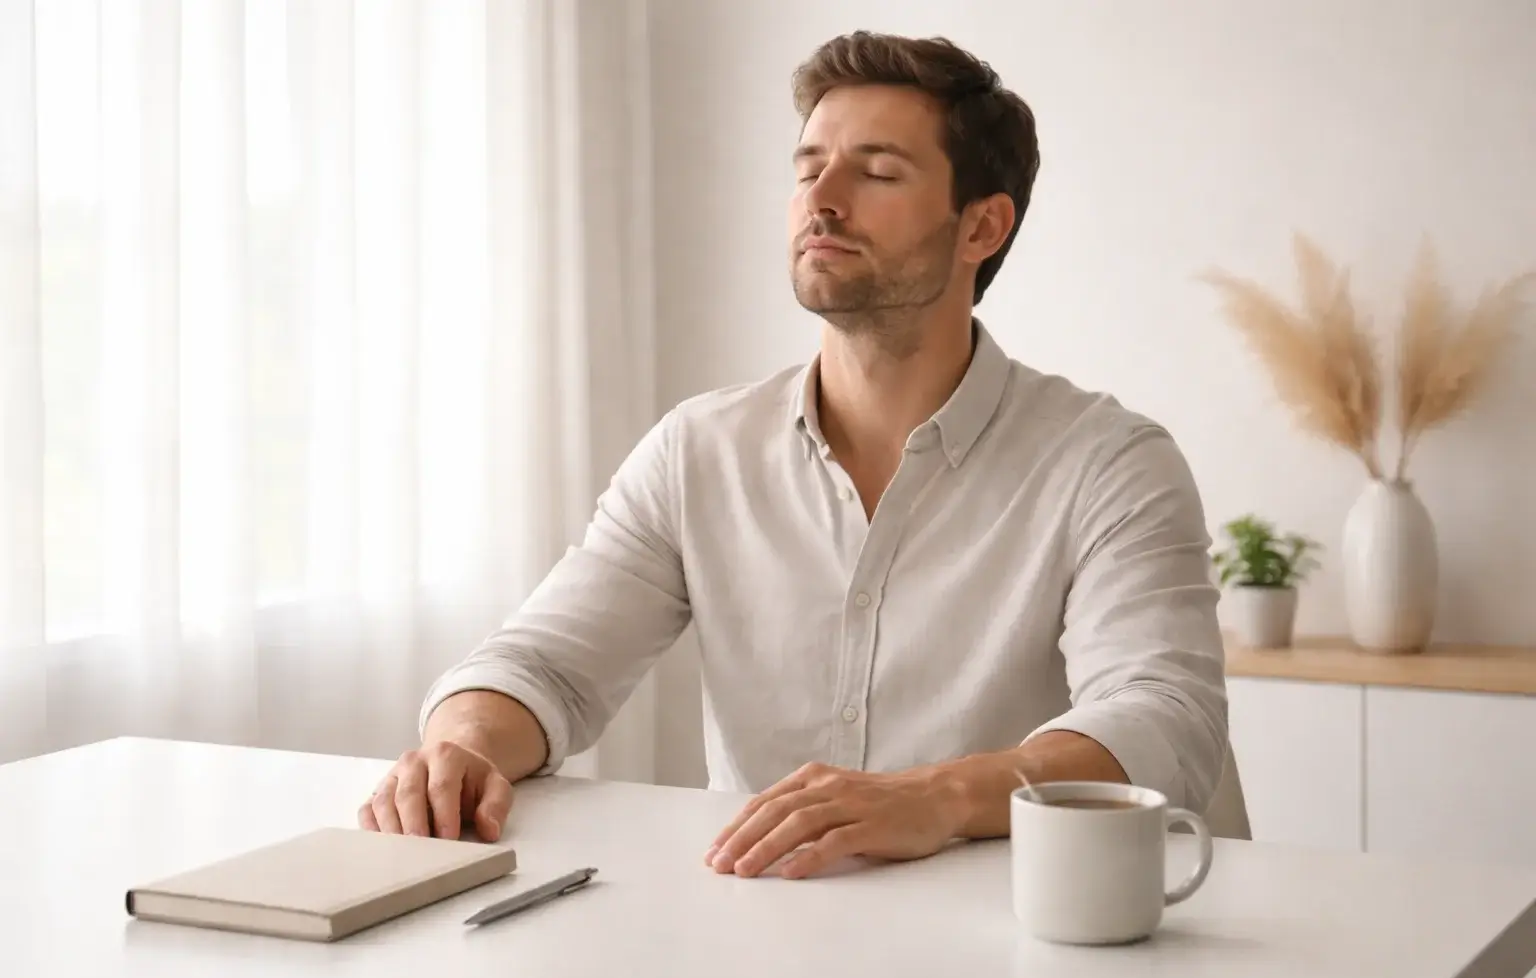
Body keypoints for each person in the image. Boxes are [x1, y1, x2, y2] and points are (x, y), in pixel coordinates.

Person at [360, 30, 1228, 880]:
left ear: (981, 228)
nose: (824, 197)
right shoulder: (698, 451)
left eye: (879, 171)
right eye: (809, 167)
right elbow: (543, 664)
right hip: (765, 927)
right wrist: (462, 747)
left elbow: (1163, 719)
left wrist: (933, 797)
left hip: (1023, 936)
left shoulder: (1110, 462)